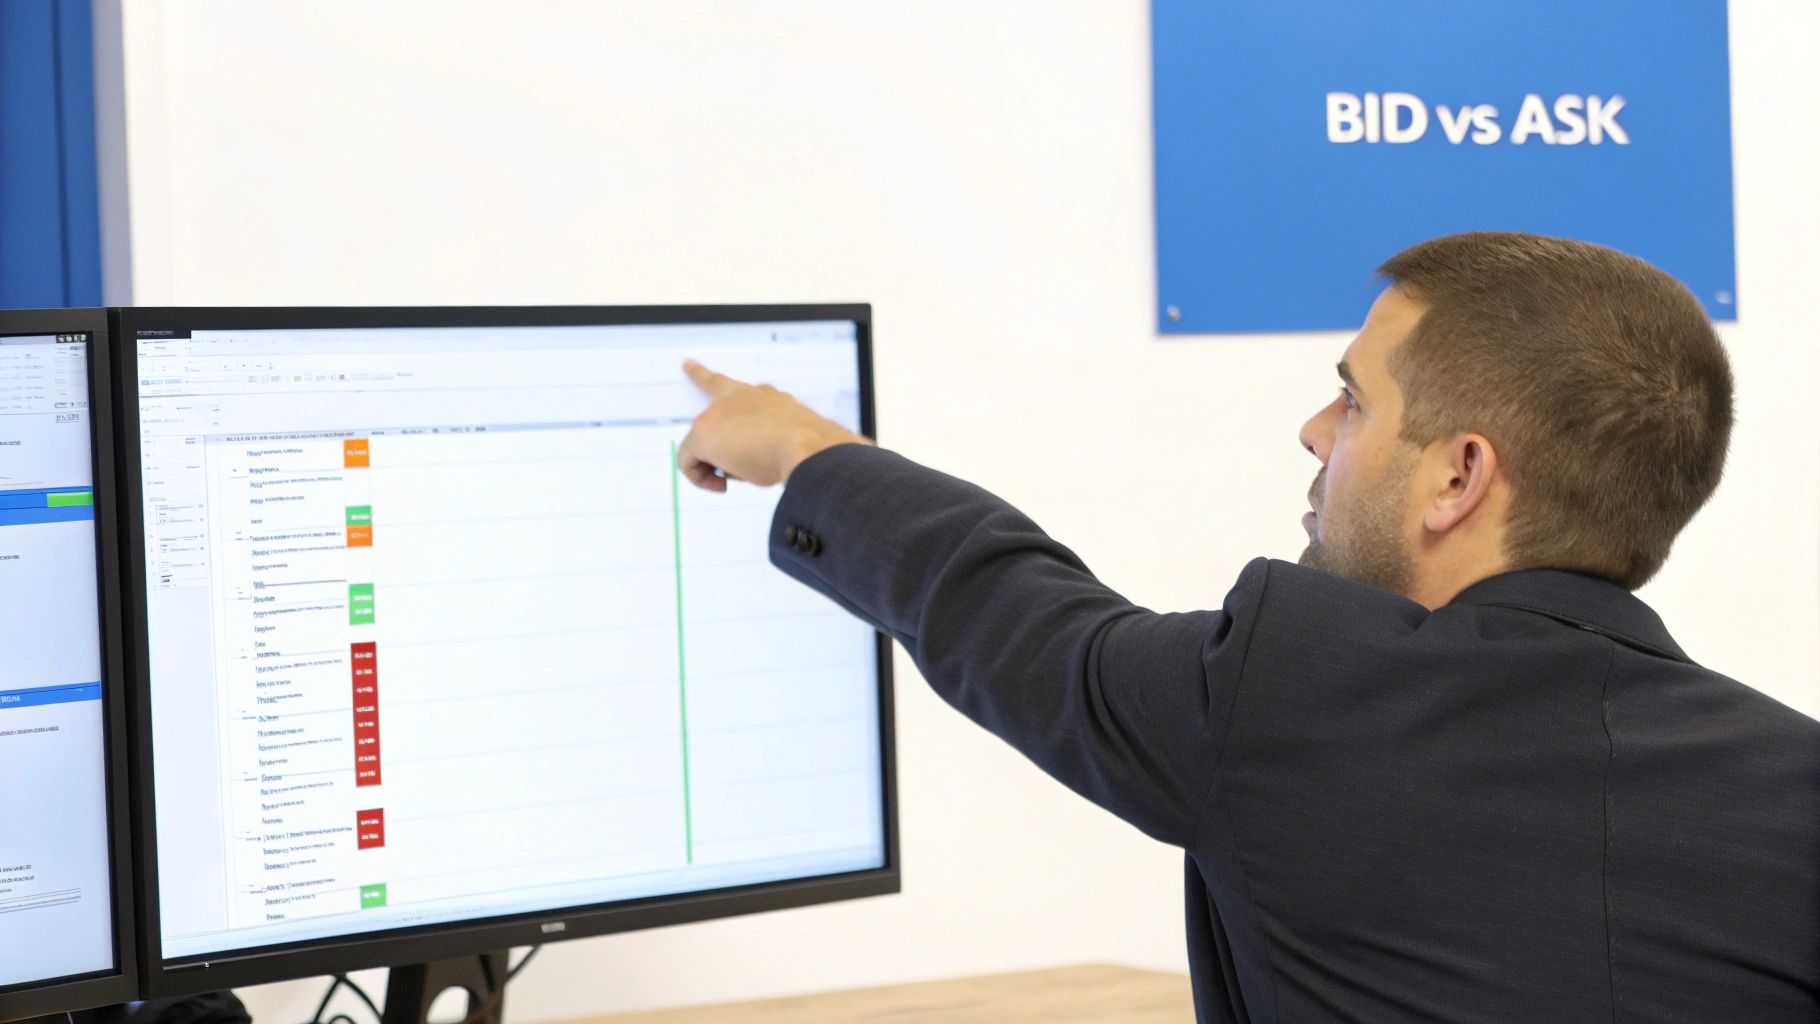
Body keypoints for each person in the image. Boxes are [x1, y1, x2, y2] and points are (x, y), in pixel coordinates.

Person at [675, 231, 1820, 1022]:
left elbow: (1006, 611)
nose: (1315, 430)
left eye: (1356, 397)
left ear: (1458, 476)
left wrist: (805, 452)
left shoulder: (1299, 701)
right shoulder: (1793, 781)